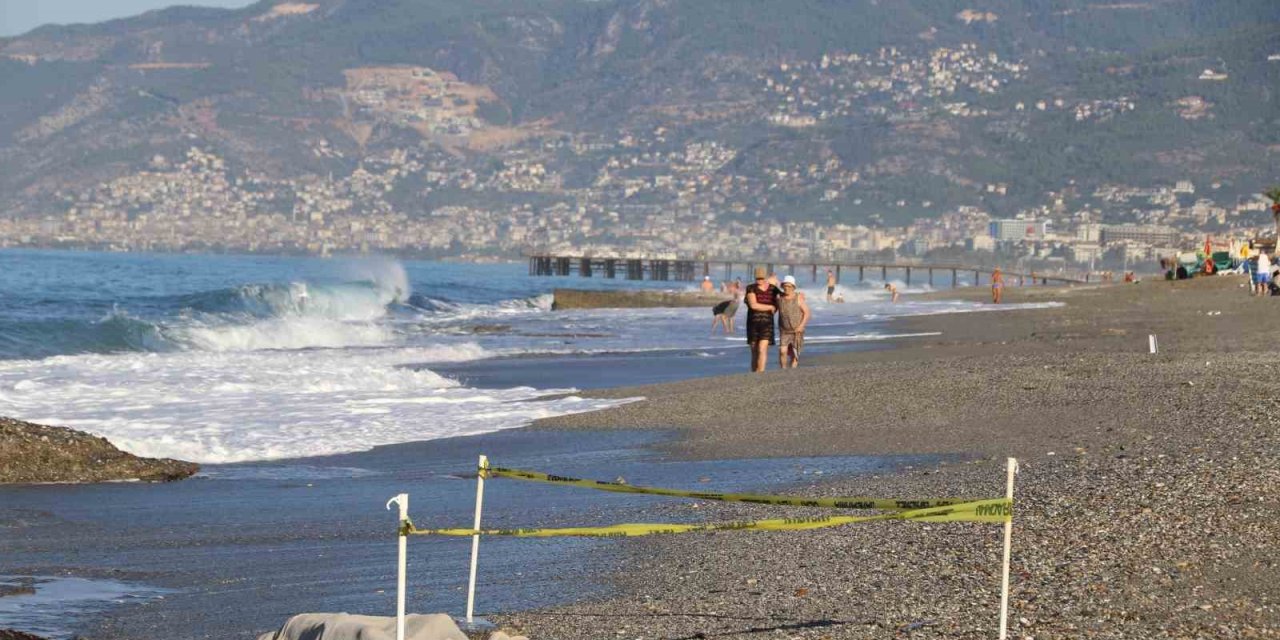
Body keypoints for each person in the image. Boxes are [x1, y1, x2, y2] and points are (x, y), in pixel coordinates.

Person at [744, 267, 780, 373]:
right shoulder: (750, 288)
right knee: (754, 351)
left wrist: (798, 296)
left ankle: (761, 373)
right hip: (753, 323)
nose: (759, 280)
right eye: (757, 278)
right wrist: (770, 307)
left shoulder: (773, 288)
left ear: (765, 278)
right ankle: (754, 373)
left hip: (767, 323)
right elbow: (753, 305)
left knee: (762, 348)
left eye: (761, 278)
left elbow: (783, 298)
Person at [776, 275, 810, 369]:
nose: (787, 288)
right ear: (782, 286)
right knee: (782, 351)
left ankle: (793, 371)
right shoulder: (779, 298)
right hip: (784, 331)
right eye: (785, 286)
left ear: (793, 287)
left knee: (795, 355)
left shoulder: (798, 298)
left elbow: (807, 313)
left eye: (789, 286)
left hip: (797, 331)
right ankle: (783, 369)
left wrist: (801, 326)